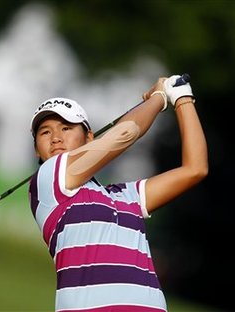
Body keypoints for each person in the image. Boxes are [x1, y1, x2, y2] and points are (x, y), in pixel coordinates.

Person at [28, 75, 208, 312]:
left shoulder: (125, 196)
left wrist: (183, 98)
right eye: (45, 133)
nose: (56, 138)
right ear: (36, 150)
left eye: (66, 128)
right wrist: (159, 97)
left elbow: (195, 169)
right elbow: (124, 134)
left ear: (89, 137)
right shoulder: (48, 180)